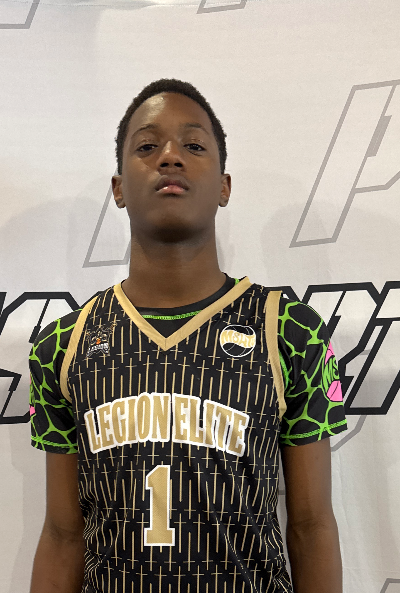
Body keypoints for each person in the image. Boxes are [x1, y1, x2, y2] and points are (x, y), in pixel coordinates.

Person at [29, 78, 348, 593]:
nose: (170, 156)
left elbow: (311, 527)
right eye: (147, 146)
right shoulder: (65, 344)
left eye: (194, 146)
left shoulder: (288, 330)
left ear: (224, 186)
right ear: (118, 188)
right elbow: (63, 534)